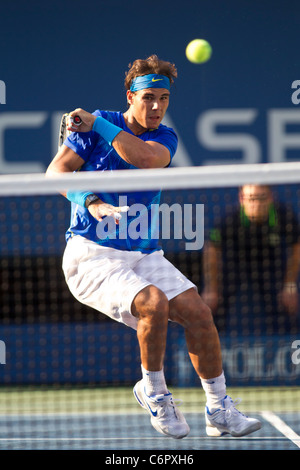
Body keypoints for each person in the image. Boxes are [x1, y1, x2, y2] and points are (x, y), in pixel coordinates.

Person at [46, 55, 261, 439]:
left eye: (164, 98)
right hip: (91, 255)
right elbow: (55, 173)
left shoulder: (163, 137)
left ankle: (219, 409)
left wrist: (99, 123)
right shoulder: (92, 129)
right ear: (130, 96)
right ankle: (155, 393)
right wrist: (91, 200)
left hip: (143, 253)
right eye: (148, 98)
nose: (157, 106)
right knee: (154, 303)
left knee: (198, 312)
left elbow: (144, 160)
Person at [202, 184, 300, 336]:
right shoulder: (230, 219)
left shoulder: (284, 216)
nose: (256, 204)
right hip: (236, 262)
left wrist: (289, 285)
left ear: (271, 198)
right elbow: (212, 249)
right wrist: (212, 289)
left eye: (262, 198)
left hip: (271, 263)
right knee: (214, 303)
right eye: (252, 199)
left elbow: (296, 247)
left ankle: (289, 344)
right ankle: (211, 342)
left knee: (286, 305)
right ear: (242, 199)